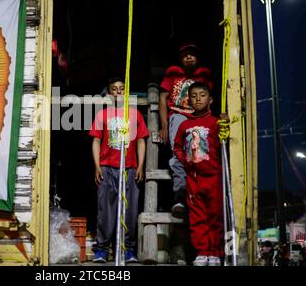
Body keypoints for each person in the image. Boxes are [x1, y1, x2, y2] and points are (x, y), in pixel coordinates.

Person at [89, 76, 149, 263]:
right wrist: (97, 165)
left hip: (129, 168)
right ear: (108, 94)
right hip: (107, 168)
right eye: (114, 89)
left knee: (129, 210)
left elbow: (141, 140)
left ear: (127, 92)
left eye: (121, 89)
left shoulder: (134, 115)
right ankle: (102, 249)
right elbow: (96, 140)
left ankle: (128, 249)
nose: (118, 92)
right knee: (105, 209)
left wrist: (140, 165)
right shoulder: (102, 115)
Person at [173, 82, 228, 266]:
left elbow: (224, 146)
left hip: (213, 176)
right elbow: (178, 146)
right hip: (193, 178)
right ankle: (202, 251)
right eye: (194, 96)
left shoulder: (214, 122)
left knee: (215, 215)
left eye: (202, 95)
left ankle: (214, 252)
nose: (198, 99)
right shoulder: (185, 125)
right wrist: (184, 160)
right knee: (197, 216)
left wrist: (225, 126)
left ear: (210, 100)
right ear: (188, 100)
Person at [158, 43, 213, 218]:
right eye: (185, 55)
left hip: (198, 118)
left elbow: (209, 97)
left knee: (199, 156)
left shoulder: (204, 74)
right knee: (179, 154)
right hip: (179, 115)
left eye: (192, 54)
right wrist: (164, 125)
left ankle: (199, 197)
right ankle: (180, 195)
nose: (188, 57)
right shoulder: (173, 72)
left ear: (198, 58)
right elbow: (163, 97)